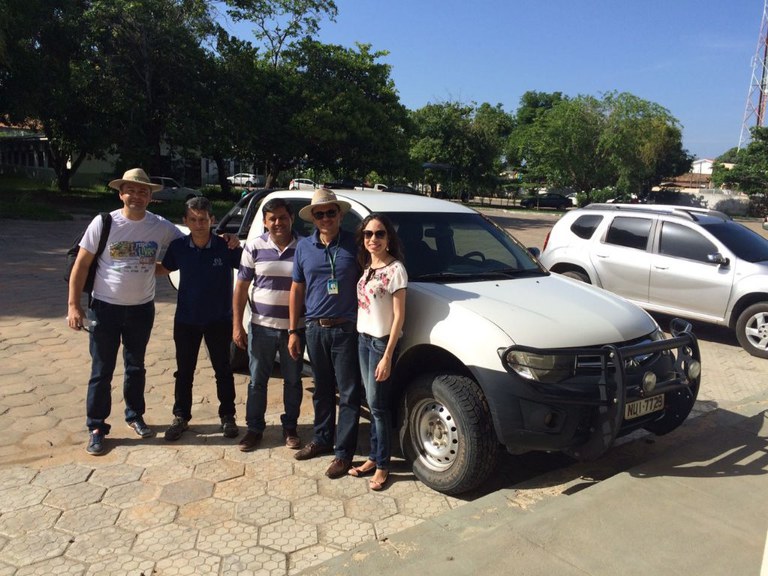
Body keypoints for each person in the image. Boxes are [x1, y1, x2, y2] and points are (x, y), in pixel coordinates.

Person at [67, 168, 184, 455]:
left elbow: (191, 241)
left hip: (141, 310)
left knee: (136, 367)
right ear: (121, 193)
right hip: (104, 308)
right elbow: (82, 264)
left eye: (143, 191)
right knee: (101, 370)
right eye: (131, 190)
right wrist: (73, 305)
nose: (137, 195)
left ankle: (135, 416)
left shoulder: (160, 226)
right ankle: (96, 426)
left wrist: (225, 240)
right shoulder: (104, 222)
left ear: (150, 197)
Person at [288, 188, 361, 479]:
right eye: (320, 214)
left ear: (340, 215)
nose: (326, 217)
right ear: (313, 218)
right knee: (321, 390)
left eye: (331, 212)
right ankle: (321, 439)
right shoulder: (304, 247)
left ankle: (343, 454)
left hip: (346, 329)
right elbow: (297, 289)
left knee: (348, 393)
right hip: (315, 329)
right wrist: (294, 330)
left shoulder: (356, 245)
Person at [157, 197, 243, 442]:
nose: (198, 224)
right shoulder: (179, 247)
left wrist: (237, 242)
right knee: (184, 372)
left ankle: (228, 416)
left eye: (203, 219)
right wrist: (132, 265)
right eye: (193, 220)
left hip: (219, 319)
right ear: (185, 221)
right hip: (186, 320)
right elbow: (164, 268)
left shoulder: (225, 247)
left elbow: (250, 266)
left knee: (223, 370)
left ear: (212, 220)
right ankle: (181, 417)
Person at [233, 198, 305, 452]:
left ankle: (290, 428)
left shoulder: (304, 247)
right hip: (261, 326)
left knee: (293, 380)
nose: (278, 223)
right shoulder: (254, 246)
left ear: (291, 218)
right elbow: (241, 287)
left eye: (282, 217)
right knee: (257, 381)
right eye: (272, 218)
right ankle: (254, 429)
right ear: (264, 222)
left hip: (294, 329)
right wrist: (237, 325)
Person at [348, 214, 407, 491]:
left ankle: (383, 466)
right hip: (363, 340)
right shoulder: (367, 266)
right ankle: (373, 457)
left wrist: (387, 356)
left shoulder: (395, 270)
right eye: (368, 234)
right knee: (372, 406)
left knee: (379, 407)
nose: (373, 239)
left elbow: (398, 318)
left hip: (381, 344)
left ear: (389, 237)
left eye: (380, 234)